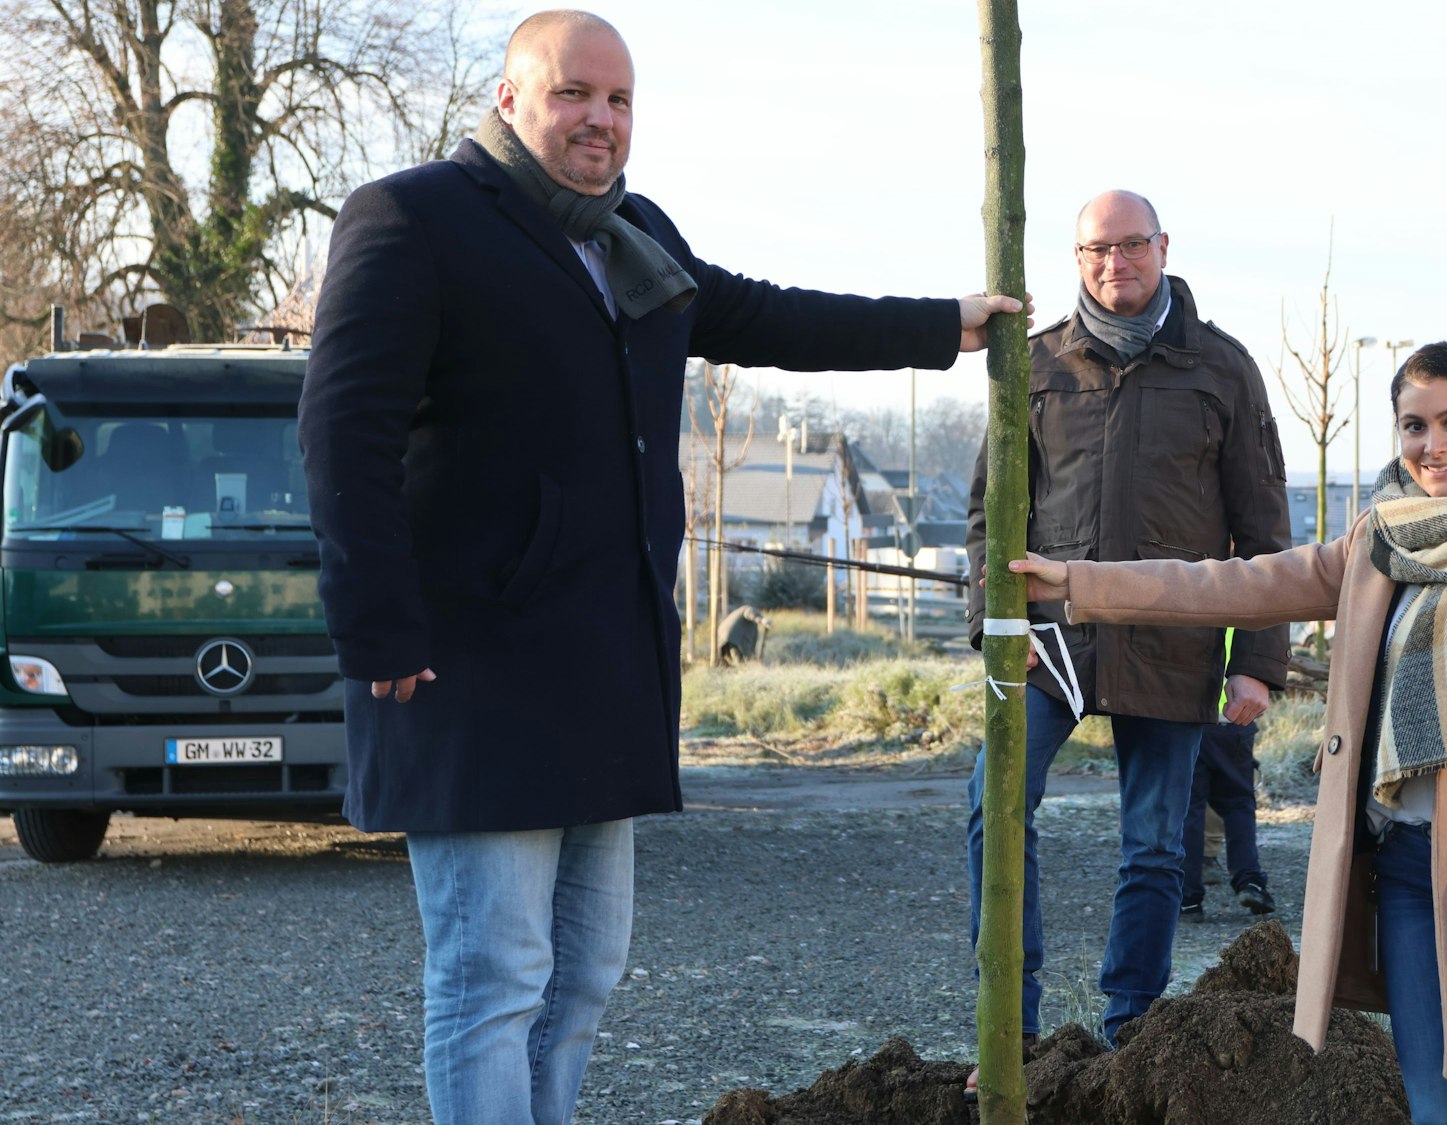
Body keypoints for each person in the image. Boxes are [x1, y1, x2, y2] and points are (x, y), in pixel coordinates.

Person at [299, 11, 1024, 1124]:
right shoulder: (413, 218)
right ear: (508, 100)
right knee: (491, 982)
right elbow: (342, 432)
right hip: (470, 667)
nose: (600, 118)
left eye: (620, 100)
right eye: (573, 94)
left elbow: (762, 313)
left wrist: (943, 324)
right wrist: (378, 633)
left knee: (581, 975)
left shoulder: (629, 234)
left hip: (603, 666)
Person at [1008, 341, 1447, 1124]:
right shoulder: (1383, 538)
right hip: (1403, 871)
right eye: (1415, 425)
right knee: (1440, 1110)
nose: (1434, 445)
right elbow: (1240, 581)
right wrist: (1082, 582)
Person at [964, 189, 1293, 1058]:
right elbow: (985, 514)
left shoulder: (1221, 369)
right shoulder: (1032, 365)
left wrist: (1256, 659)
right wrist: (988, 630)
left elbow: (1263, 527)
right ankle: (1013, 1028)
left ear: (1164, 246)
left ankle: (1129, 1032)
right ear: (1076, 260)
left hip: (1172, 642)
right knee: (992, 810)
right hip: (1047, 642)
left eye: (1133, 244)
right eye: (1097, 249)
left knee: (1154, 846)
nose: (1117, 262)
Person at [1179, 630, 1275, 921]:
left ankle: (1188, 898)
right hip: (1235, 714)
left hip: (1188, 713)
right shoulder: (1239, 593)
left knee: (1190, 808)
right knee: (1238, 803)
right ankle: (1250, 880)